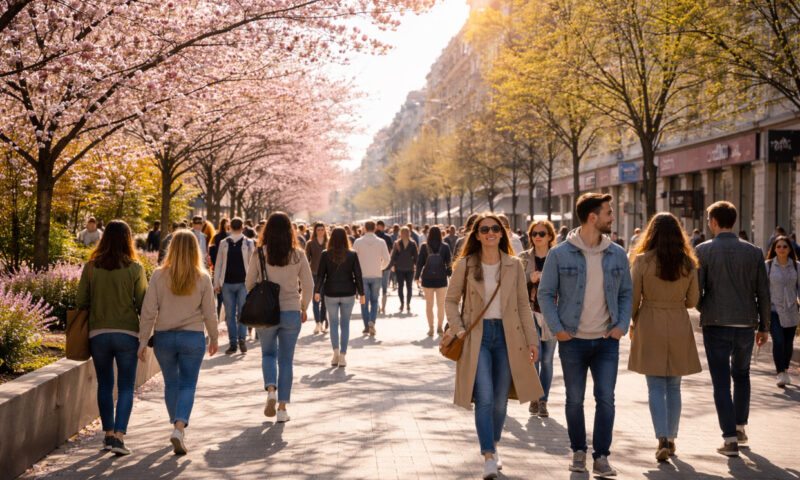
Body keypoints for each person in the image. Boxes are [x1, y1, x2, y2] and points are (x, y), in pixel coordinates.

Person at [538, 193, 633, 477]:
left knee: (606, 398)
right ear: (593, 217)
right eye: (608, 212)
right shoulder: (559, 253)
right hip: (573, 341)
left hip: (607, 342)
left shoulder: (616, 253)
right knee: (574, 399)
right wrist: (559, 331)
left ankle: (601, 456)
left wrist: (621, 326)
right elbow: (545, 294)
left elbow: (627, 292)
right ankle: (578, 451)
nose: (612, 217)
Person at [443, 213, 542, 479]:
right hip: (477, 337)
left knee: (500, 401)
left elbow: (523, 305)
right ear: (476, 235)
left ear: (502, 233)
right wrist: (458, 328)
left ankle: (495, 446)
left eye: (495, 229)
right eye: (484, 229)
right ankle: (488, 455)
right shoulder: (465, 265)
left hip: (508, 337)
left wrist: (532, 340)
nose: (490, 232)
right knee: (484, 397)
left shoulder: (513, 265)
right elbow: (450, 301)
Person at [696, 201, 770, 456]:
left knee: (720, 382)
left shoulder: (703, 250)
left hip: (716, 322)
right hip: (746, 323)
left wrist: (702, 306)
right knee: (742, 375)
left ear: (714, 222)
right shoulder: (754, 252)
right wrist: (764, 326)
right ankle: (739, 427)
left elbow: (697, 291)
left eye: (709, 220)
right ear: (734, 222)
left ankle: (729, 440)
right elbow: (763, 291)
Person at [627, 213, 701, 462]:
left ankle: (661, 437)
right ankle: (671, 437)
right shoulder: (688, 263)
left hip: (649, 321)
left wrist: (633, 321)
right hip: (678, 321)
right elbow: (692, 301)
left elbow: (633, 297)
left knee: (655, 386)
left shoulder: (642, 260)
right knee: (675, 386)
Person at [137, 230, 219, 455]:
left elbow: (148, 310)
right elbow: (210, 314)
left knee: (171, 384)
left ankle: (176, 425)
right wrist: (213, 338)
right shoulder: (202, 277)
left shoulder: (158, 275)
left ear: (170, 249)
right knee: (188, 385)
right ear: (196, 250)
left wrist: (143, 340)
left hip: (164, 337)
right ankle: (179, 427)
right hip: (192, 337)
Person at [75, 220, 148, 456]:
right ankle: (119, 436)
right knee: (126, 387)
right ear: (128, 239)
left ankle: (106, 435)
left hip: (98, 334)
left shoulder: (91, 267)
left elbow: (80, 302)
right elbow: (143, 304)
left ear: (104, 238)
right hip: (127, 334)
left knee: (105, 385)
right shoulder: (135, 268)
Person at [245, 212, 314, 423]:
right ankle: (282, 409)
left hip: (267, 312)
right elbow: (309, 285)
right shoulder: (298, 255)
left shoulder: (259, 253)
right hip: (292, 310)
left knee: (267, 354)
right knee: (286, 360)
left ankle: (271, 390)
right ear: (289, 230)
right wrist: (303, 306)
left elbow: (249, 283)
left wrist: (257, 298)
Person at [518, 219, 558, 418]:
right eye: (534, 234)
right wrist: (529, 278)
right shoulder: (523, 258)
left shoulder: (558, 256)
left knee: (548, 360)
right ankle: (534, 397)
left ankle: (543, 401)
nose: (537, 237)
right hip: (530, 311)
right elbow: (514, 282)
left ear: (550, 236)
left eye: (542, 233)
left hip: (552, 313)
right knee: (535, 358)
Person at [315, 227, 365, 368]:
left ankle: (335, 353)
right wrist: (362, 294)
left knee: (333, 324)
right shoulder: (352, 255)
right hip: (348, 292)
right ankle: (343, 355)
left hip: (330, 292)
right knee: (345, 324)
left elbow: (320, 275)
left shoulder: (325, 254)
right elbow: (358, 275)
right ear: (345, 238)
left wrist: (317, 291)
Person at [213, 218, 255, 354]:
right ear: (242, 227)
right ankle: (236, 340)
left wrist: (216, 284)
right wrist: (217, 283)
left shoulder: (248, 243)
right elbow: (219, 263)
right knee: (237, 314)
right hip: (230, 284)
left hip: (239, 283)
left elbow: (217, 264)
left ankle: (236, 342)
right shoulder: (224, 243)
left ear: (230, 227)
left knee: (232, 315)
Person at [764, 235, 799, 388]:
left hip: (791, 310)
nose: (782, 249)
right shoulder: (768, 266)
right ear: (774, 249)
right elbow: (763, 289)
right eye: (778, 246)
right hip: (773, 310)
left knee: (788, 343)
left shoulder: (797, 266)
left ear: (790, 249)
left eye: (785, 246)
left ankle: (784, 369)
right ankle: (780, 373)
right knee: (778, 341)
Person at [353, 221, 391, 336]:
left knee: (364, 301)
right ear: (375, 229)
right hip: (376, 274)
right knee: (375, 301)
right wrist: (381, 267)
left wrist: (355, 272)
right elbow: (387, 259)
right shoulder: (381, 242)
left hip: (363, 275)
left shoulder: (358, 242)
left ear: (364, 228)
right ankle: (372, 322)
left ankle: (366, 326)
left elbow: (353, 259)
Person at [415, 226, 452, 336]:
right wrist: (450, 275)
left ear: (429, 234)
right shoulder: (445, 247)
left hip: (427, 280)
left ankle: (431, 328)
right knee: (441, 305)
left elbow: (419, 263)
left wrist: (417, 277)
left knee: (429, 305)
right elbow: (449, 264)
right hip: (441, 280)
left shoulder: (424, 247)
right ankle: (439, 327)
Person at [305, 222, 329, 334]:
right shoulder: (310, 243)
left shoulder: (328, 243)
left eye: (322, 229)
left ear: (325, 231)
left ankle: (323, 322)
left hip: (327, 275)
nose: (320, 231)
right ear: (315, 231)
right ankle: (317, 323)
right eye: (318, 229)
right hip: (314, 274)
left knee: (325, 300)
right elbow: (306, 260)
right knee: (315, 300)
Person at [390, 226, 418, 314]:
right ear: (409, 233)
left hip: (399, 267)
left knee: (400, 286)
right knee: (409, 287)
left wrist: (392, 265)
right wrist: (416, 266)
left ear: (400, 233)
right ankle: (408, 304)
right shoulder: (412, 243)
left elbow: (393, 255)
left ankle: (402, 303)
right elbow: (416, 257)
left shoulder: (397, 243)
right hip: (410, 267)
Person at [209, 217, 230, 317]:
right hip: (226, 268)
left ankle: (217, 316)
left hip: (218, 266)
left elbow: (213, 251)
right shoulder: (228, 236)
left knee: (219, 298)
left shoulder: (216, 236)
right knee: (226, 297)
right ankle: (226, 317)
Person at [375, 220, 395, 314]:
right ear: (383, 227)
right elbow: (391, 251)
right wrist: (389, 261)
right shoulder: (388, 237)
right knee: (384, 287)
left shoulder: (374, 237)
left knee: (376, 288)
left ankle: (378, 306)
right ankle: (383, 307)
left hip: (375, 265)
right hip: (386, 265)